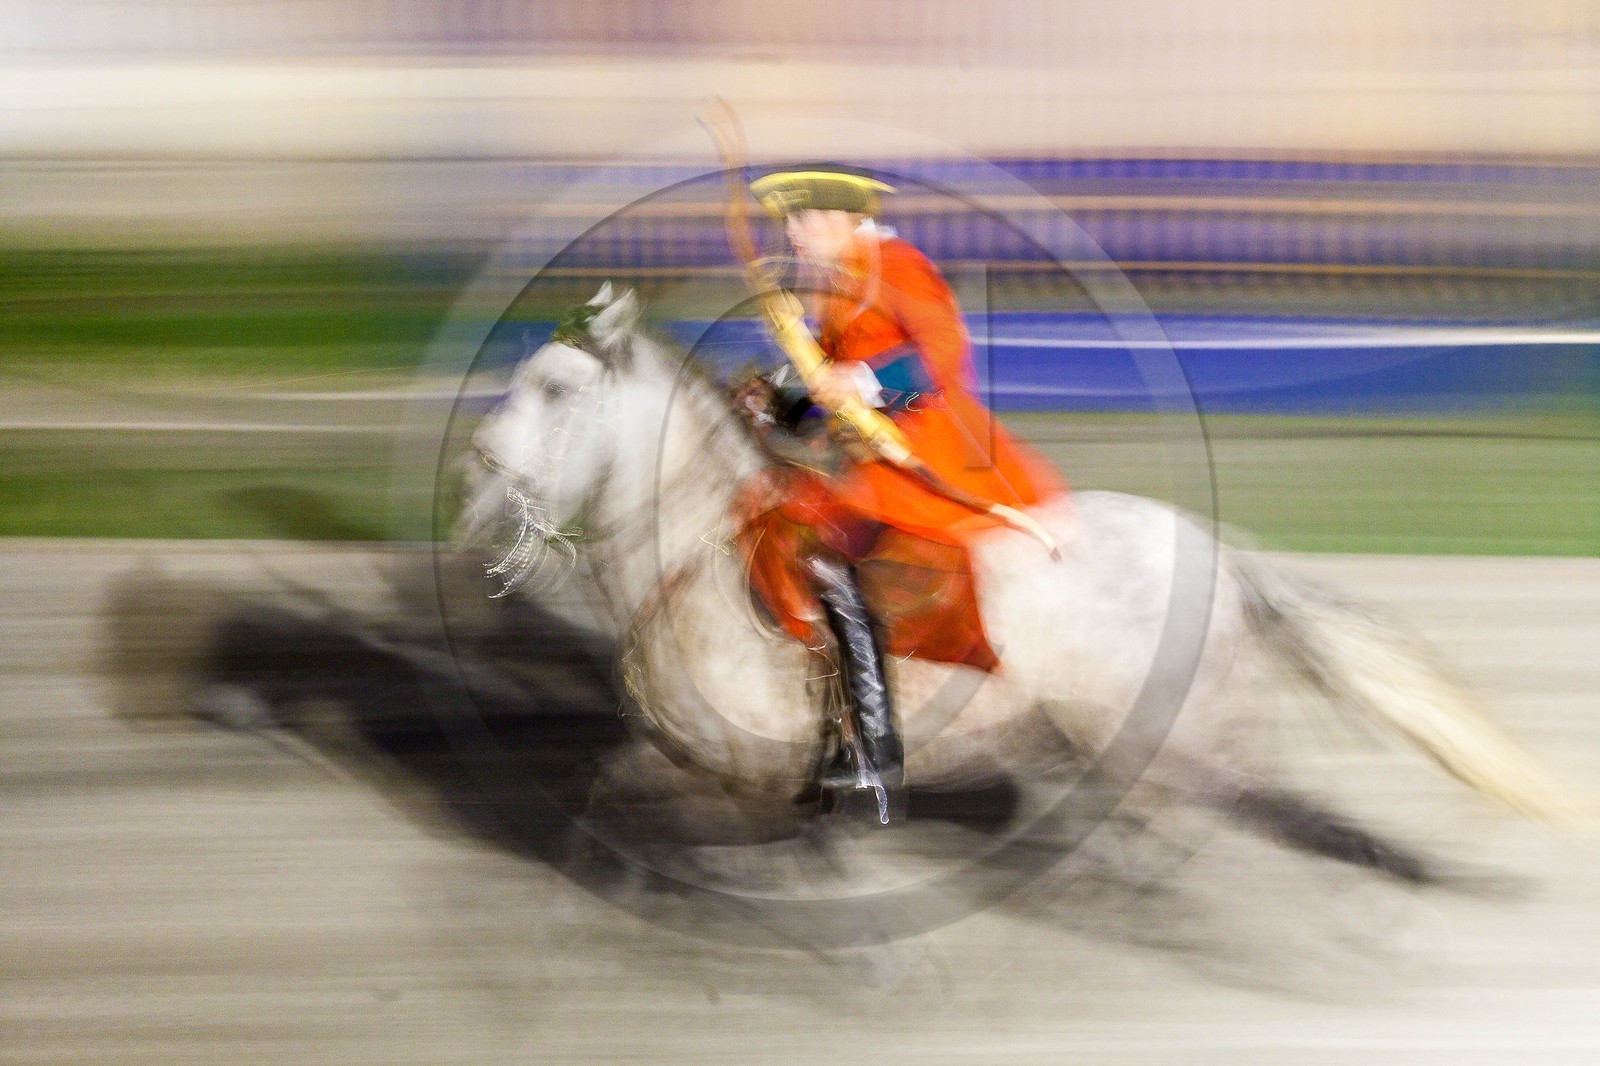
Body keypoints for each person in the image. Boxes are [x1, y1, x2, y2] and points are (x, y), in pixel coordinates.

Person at [734, 167, 1067, 824]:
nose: (793, 236)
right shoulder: (840, 285)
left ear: (838, 219)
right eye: (789, 225)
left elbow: (942, 360)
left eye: (801, 222)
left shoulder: (897, 265)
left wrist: (860, 380)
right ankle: (834, 734)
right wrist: (776, 400)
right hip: (866, 451)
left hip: (927, 448)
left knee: (828, 562)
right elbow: (825, 393)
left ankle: (874, 756)